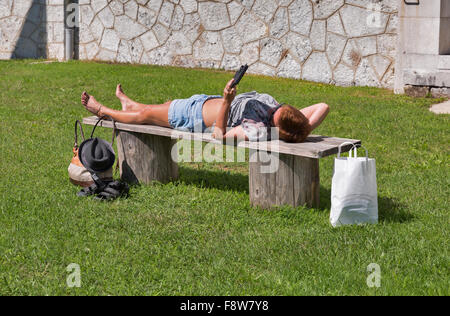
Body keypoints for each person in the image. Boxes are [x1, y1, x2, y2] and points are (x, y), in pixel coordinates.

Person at [81, 79, 329, 143]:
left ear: (277, 128)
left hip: (193, 117)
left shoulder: (258, 129)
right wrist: (304, 130)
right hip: (201, 101)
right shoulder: (280, 113)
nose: (273, 106)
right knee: (151, 110)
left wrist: (227, 101)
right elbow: (323, 106)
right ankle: (129, 104)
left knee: (144, 117)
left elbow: (219, 137)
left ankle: (102, 110)